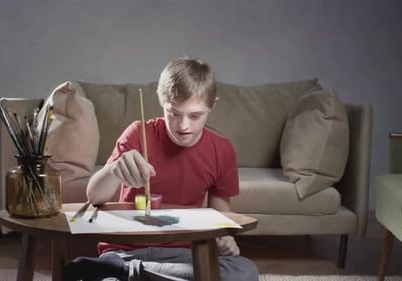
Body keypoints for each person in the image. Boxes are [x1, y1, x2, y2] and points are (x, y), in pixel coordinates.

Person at [65, 57, 259, 281]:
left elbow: (220, 216)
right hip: (125, 251)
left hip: (185, 254)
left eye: (195, 116)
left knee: (244, 272)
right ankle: (129, 271)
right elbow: (94, 196)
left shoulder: (222, 150)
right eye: (174, 113)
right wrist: (114, 170)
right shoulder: (138, 133)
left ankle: (129, 274)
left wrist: (225, 239)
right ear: (161, 100)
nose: (184, 125)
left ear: (212, 105)